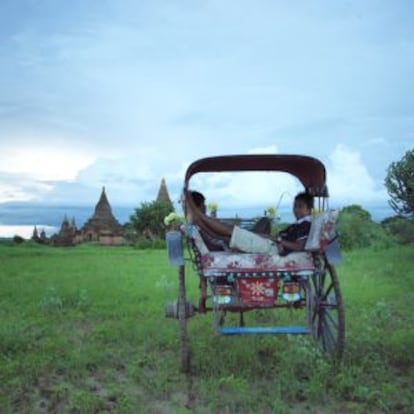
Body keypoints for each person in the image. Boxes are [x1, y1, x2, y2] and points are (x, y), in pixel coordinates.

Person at [229, 192, 313, 255]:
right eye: (295, 206)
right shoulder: (298, 224)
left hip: (275, 247)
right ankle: (248, 235)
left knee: (235, 233)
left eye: (300, 206)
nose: (296, 210)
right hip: (273, 242)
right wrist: (273, 237)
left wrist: (277, 240)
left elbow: (299, 247)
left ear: (309, 210)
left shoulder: (305, 224)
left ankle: (244, 236)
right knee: (265, 221)